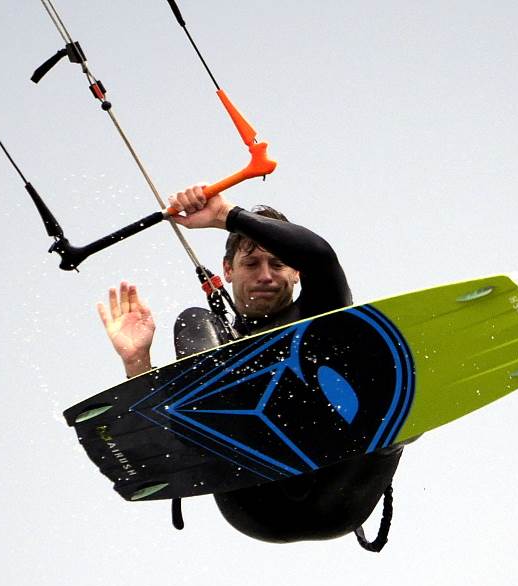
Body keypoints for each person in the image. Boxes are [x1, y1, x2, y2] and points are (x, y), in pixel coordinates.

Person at [95, 186, 402, 547]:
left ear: (296, 273)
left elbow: (320, 257)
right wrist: (137, 361)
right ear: (228, 270)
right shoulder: (213, 335)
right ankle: (234, 429)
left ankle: (394, 421)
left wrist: (228, 215)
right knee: (194, 321)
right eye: (252, 264)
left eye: (278, 263)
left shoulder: (322, 311)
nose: (266, 275)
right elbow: (167, 434)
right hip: (255, 505)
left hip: (340, 492)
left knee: (367, 342)